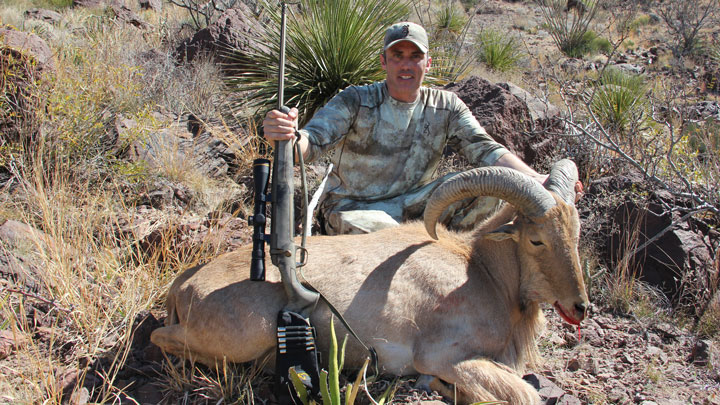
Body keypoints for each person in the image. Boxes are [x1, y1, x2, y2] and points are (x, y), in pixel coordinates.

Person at [263, 22, 556, 235]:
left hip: (416, 204)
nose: (406, 65)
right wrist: (288, 136)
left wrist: (538, 181)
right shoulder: (356, 100)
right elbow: (311, 141)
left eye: (415, 56)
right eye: (397, 56)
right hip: (354, 209)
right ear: (383, 62)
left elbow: (487, 151)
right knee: (387, 237)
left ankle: (456, 261)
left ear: (427, 63)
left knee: (495, 184)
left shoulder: (446, 105)